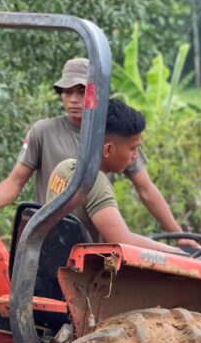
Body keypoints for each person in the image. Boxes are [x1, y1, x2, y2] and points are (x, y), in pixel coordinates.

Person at [0, 57, 193, 245]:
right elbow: (15, 181)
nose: (73, 99)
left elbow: (146, 189)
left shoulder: (115, 136)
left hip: (92, 245)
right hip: (53, 241)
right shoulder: (44, 131)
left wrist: (180, 237)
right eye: (67, 92)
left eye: (81, 91)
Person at [45, 97, 183, 254]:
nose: (136, 156)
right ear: (108, 150)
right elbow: (122, 242)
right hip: (79, 274)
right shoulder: (95, 182)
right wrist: (178, 253)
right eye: (133, 149)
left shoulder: (64, 167)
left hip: (55, 263)